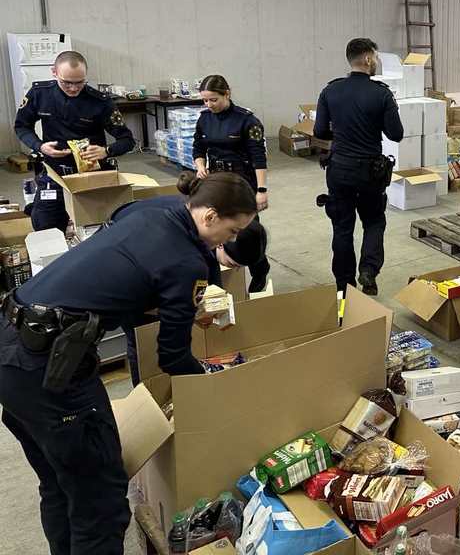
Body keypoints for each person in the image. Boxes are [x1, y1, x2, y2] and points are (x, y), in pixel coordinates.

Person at [0, 171, 256, 555]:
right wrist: (209, 388)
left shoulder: (154, 207)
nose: (231, 240)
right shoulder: (185, 264)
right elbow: (171, 355)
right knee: (100, 501)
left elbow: (125, 274)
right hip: (50, 371)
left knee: (59, 483)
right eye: (233, 231)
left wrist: (181, 304)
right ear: (211, 217)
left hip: (10, 341)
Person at [109, 190, 267, 384]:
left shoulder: (215, 230)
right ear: (222, 243)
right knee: (142, 338)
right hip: (125, 258)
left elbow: (210, 280)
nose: (234, 269)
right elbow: (158, 296)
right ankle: (145, 390)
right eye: (233, 264)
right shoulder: (180, 245)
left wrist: (210, 306)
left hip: (149, 242)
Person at [314, 38, 404, 295]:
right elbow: (396, 134)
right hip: (370, 173)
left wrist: (343, 135)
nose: (376, 62)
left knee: (342, 226)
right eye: (375, 57)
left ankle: (344, 285)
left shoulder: (330, 91)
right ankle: (369, 271)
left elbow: (320, 130)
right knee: (374, 221)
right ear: (367, 59)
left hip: (339, 169)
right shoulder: (381, 94)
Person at [14, 51, 135, 232]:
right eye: (66, 82)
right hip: (55, 172)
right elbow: (21, 126)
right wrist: (39, 146)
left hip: (92, 174)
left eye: (79, 82)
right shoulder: (40, 94)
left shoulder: (100, 102)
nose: (73, 88)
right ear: (54, 72)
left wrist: (107, 151)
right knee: (45, 225)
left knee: (99, 227)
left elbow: (127, 140)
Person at [192, 75, 271, 292]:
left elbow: (259, 157)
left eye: (213, 100)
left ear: (227, 94)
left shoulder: (247, 120)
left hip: (241, 185)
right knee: (216, 229)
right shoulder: (204, 119)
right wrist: (200, 165)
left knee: (245, 233)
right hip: (215, 183)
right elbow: (198, 148)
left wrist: (261, 190)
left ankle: (259, 269)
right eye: (205, 101)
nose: (209, 105)